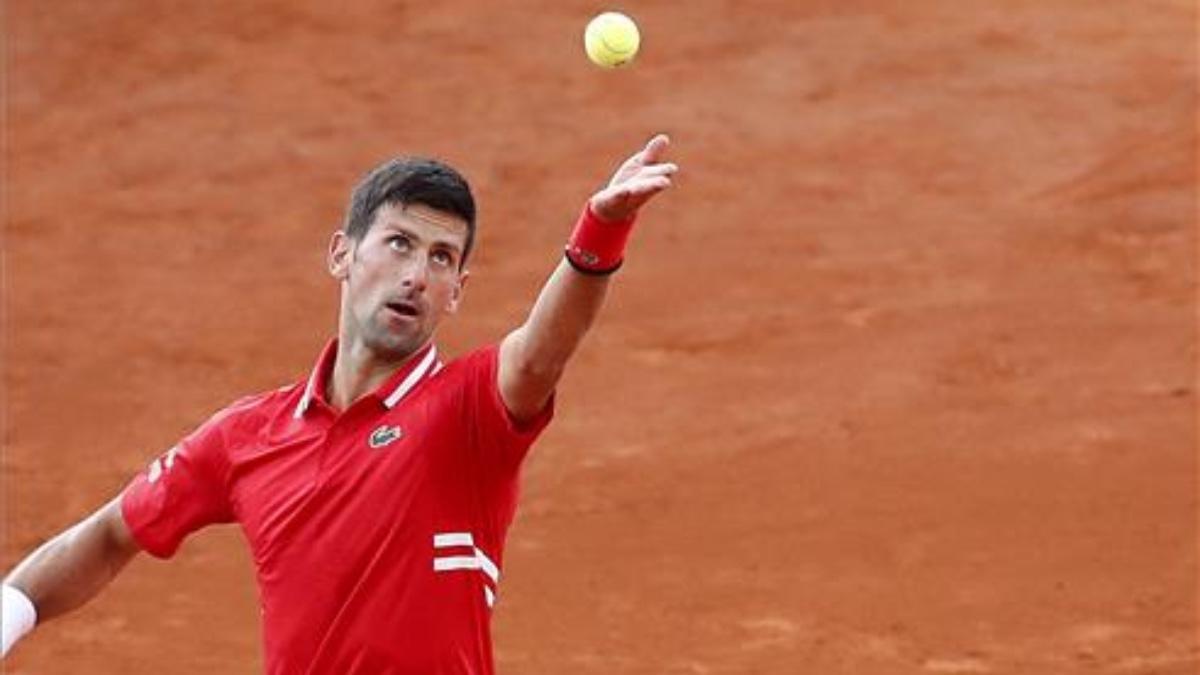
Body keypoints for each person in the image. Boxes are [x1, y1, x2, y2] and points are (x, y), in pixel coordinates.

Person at [2, 135, 678, 673]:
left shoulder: (469, 410)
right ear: (342, 254)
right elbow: (112, 531)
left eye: (443, 258)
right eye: (400, 243)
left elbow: (538, 354)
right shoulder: (247, 436)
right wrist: (11, 610)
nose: (417, 273)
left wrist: (600, 231)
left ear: (457, 291)